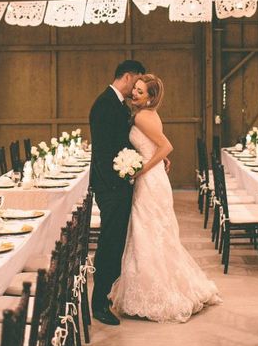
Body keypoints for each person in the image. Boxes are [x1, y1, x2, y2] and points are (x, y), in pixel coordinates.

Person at [109, 74, 221, 323]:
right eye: (135, 89)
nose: (135, 94)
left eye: (140, 92)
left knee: (148, 232)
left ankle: (156, 294)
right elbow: (154, 146)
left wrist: (143, 168)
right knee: (150, 232)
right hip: (153, 178)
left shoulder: (140, 117)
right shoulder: (146, 114)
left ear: (150, 98)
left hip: (150, 181)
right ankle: (147, 291)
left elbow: (166, 146)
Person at [89, 59, 146, 326]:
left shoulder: (117, 104)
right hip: (111, 186)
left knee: (116, 243)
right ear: (127, 76)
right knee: (109, 244)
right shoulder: (104, 104)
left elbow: (122, 142)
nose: (136, 88)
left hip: (119, 183)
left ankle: (107, 295)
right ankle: (98, 302)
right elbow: (102, 152)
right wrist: (116, 183)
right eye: (136, 82)